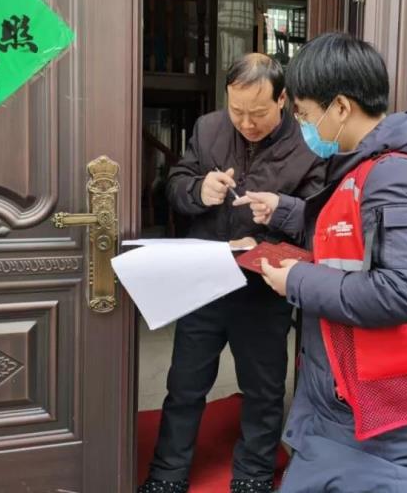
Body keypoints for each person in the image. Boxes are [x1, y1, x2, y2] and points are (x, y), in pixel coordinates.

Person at [234, 33, 407, 492]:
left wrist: (297, 281)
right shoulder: (370, 164)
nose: (303, 126)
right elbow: (353, 233)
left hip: (385, 419)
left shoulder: (396, 174)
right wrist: (285, 211)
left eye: (305, 115)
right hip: (351, 404)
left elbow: (406, 291)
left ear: (340, 107)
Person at [138, 54, 325, 493]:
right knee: (185, 382)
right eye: (237, 110)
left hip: (264, 285)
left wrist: (281, 212)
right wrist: (197, 190)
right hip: (204, 277)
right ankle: (167, 473)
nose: (246, 123)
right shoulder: (208, 128)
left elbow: (319, 218)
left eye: (257, 113)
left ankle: (254, 474)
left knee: (263, 388)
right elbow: (174, 185)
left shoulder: (310, 143)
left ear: (282, 99)